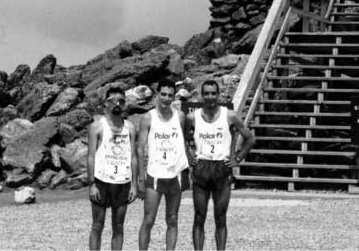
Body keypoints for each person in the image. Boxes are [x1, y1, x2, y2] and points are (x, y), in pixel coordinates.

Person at [185, 80, 255, 251]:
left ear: (218, 94)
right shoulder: (192, 117)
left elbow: (250, 138)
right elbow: (184, 138)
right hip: (202, 168)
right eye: (207, 93)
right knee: (199, 217)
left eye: (213, 93)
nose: (210, 97)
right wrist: (190, 155)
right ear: (202, 95)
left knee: (220, 217)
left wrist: (237, 159)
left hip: (222, 170)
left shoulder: (229, 115)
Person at [137, 79, 189, 250]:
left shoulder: (179, 116)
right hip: (155, 173)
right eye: (163, 94)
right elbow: (139, 149)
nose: (166, 99)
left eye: (170, 95)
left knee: (172, 219)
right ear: (157, 94)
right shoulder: (147, 118)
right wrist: (140, 178)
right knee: (149, 220)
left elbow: (183, 142)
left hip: (175, 173)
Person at [87, 87, 138, 251]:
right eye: (113, 100)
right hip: (102, 181)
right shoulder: (97, 126)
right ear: (106, 103)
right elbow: (90, 157)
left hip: (122, 181)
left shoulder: (129, 127)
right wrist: (91, 184)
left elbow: (134, 157)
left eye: (122, 101)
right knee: (97, 225)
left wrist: (135, 185)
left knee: (118, 226)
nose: (118, 103)